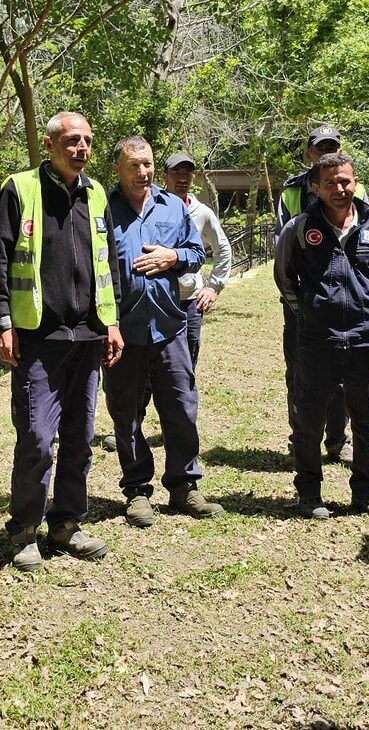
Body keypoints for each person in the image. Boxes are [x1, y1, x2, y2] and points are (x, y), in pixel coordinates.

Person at [0, 112, 124, 572]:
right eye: (70, 141)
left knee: (81, 437)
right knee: (38, 438)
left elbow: (110, 263)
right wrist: (3, 321)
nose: (80, 148)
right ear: (49, 145)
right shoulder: (20, 188)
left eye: (86, 141)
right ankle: (24, 528)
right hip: (38, 337)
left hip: (88, 335)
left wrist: (114, 321)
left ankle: (66, 522)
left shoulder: (97, 192)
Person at [104, 137, 219, 527]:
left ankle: (185, 486)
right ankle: (137, 490)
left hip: (170, 326)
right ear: (117, 169)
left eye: (148, 164)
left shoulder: (173, 207)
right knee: (126, 414)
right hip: (123, 333)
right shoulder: (102, 210)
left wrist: (174, 257)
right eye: (134, 165)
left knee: (181, 408)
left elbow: (197, 252)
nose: (143, 172)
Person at [275, 153, 369, 522]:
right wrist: (311, 311)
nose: (340, 189)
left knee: (367, 421)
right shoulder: (299, 228)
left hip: (365, 340)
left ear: (355, 182)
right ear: (316, 187)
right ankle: (309, 493)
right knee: (308, 422)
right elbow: (285, 279)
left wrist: (364, 306)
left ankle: (367, 494)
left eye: (345, 181)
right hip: (318, 341)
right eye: (330, 183)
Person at [275, 125, 350, 462]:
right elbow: (282, 249)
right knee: (301, 373)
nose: (326, 153)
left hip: (346, 304)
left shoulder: (351, 189)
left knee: (344, 375)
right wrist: (297, 304)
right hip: (301, 303)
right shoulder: (292, 193)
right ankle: (301, 442)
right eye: (320, 148)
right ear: (309, 154)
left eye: (332, 146)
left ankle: (337, 440)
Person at [162, 152, 232, 368]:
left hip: (190, 301)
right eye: (176, 173)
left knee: (187, 363)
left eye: (188, 173)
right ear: (165, 176)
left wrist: (213, 287)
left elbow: (223, 248)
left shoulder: (202, 212)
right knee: (154, 363)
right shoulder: (153, 207)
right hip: (159, 299)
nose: (183, 178)